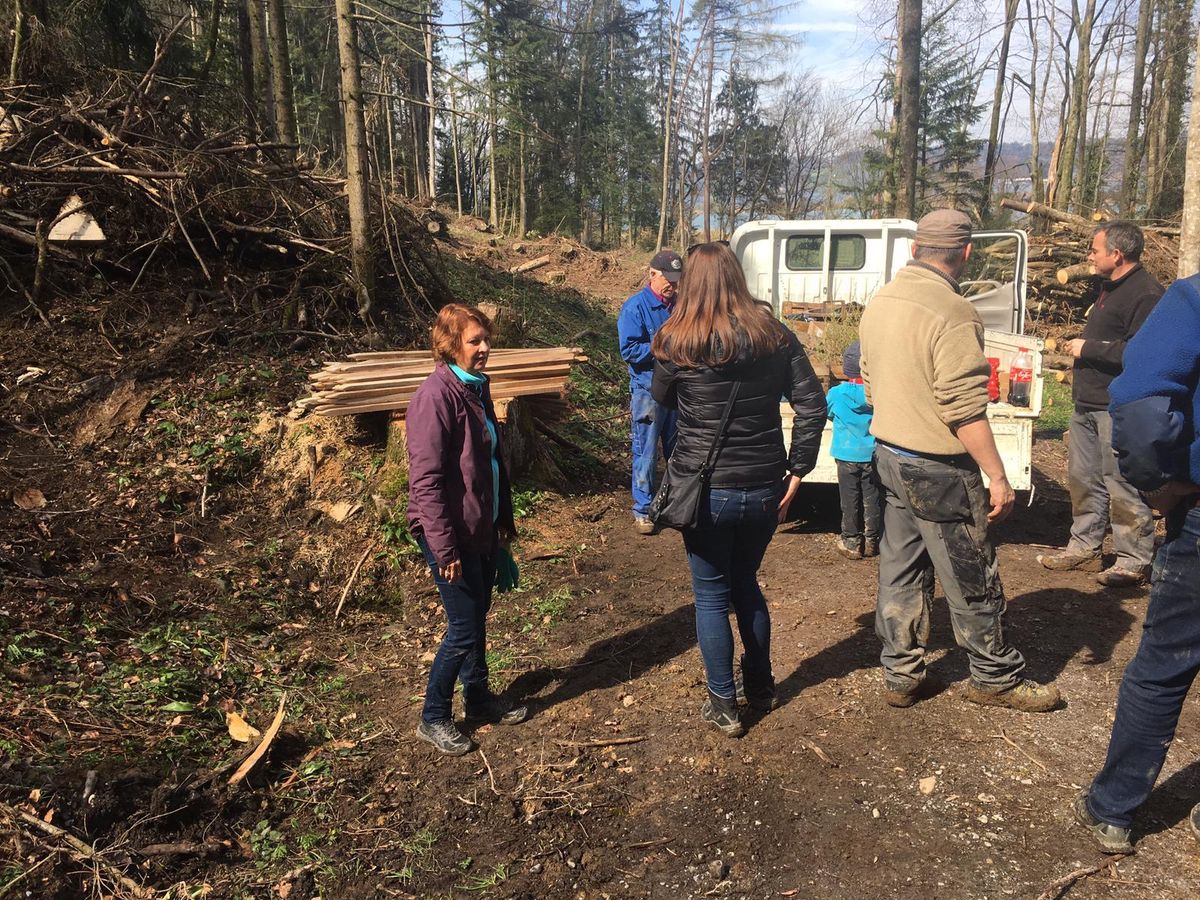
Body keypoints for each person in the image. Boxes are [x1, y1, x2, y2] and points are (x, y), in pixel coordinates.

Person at [858, 209, 1060, 712]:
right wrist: (997, 475)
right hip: (939, 469)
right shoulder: (953, 312)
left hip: (889, 455)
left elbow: (866, 377)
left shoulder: (879, 301)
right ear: (966, 253)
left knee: (900, 568)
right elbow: (964, 407)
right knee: (970, 573)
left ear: (914, 248)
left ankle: (901, 672)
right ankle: (994, 677)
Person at [651, 242, 826, 737]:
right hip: (764, 487)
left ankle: (724, 704)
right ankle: (763, 687)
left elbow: (660, 399)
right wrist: (797, 470)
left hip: (704, 491)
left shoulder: (674, 340)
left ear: (691, 284)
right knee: (746, 584)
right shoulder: (774, 334)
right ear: (737, 277)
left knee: (711, 595)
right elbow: (813, 406)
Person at [1072, 273, 1200, 854]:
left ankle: (1114, 809)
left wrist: (1161, 484)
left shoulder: (1191, 298)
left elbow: (1143, 398)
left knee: (1168, 659)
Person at [406, 304, 528, 756]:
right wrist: (444, 549)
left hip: (478, 525)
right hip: (447, 532)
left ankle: (477, 698)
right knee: (462, 626)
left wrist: (498, 531)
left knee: (476, 618)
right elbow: (426, 482)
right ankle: (433, 716)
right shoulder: (434, 398)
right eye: (474, 341)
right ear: (449, 345)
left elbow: (488, 466)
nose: (484, 348)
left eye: (486, 339)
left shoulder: (475, 389)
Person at [1038, 221, 1164, 586]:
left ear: (1117, 254)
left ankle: (1133, 559)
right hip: (1086, 402)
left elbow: (1142, 353)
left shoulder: (1146, 294)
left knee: (1120, 481)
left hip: (1117, 405)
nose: (1089, 256)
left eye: (1095, 250)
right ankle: (1084, 549)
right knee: (1083, 479)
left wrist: (1088, 348)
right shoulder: (1108, 287)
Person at [618, 250, 682, 534]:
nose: (673, 286)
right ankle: (643, 509)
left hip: (679, 390)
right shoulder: (635, 308)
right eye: (667, 279)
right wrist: (663, 348)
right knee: (645, 451)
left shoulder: (680, 306)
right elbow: (629, 350)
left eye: (676, 281)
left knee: (679, 451)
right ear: (652, 274)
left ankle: (675, 505)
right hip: (648, 391)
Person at [827, 340, 881, 560]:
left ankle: (851, 542)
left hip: (845, 454)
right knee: (873, 498)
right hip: (872, 454)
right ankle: (872, 541)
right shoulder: (877, 394)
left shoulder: (836, 394)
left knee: (848, 500)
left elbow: (828, 414)